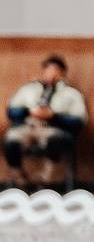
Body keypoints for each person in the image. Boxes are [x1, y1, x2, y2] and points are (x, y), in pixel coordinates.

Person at [4, 55, 87, 185]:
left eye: (55, 70)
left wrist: (53, 116)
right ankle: (19, 178)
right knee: (11, 140)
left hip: (53, 128)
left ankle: (49, 180)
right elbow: (11, 110)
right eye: (48, 69)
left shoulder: (71, 94)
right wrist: (28, 111)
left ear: (62, 72)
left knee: (55, 141)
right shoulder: (29, 89)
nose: (51, 73)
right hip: (28, 125)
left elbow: (78, 120)